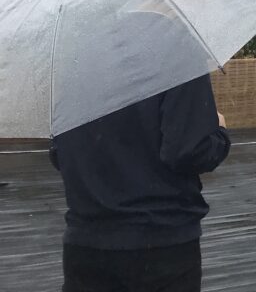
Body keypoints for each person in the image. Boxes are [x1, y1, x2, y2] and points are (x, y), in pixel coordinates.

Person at [49, 73, 230, 292]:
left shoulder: (74, 61)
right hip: (162, 244)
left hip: (86, 243)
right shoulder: (179, 54)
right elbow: (189, 151)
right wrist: (219, 132)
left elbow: (60, 153)